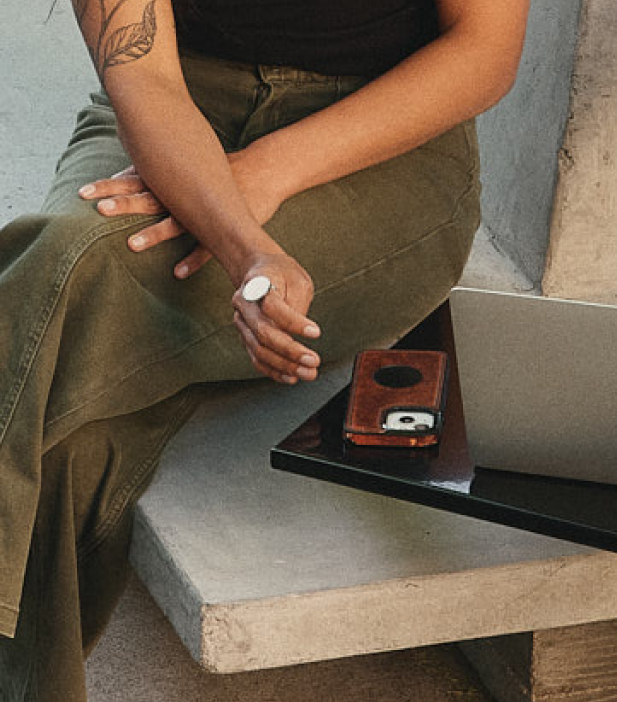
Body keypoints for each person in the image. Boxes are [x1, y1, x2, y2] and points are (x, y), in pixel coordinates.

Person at [0, 0, 529, 699]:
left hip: (380, 140)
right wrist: (241, 240)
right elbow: (145, 80)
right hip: (175, 110)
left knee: (73, 271)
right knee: (74, 427)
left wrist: (262, 174)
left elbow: (484, 51)